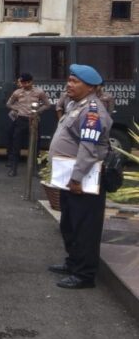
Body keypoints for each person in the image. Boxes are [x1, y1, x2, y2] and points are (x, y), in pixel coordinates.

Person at [48, 64, 112, 289]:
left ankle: (84, 275)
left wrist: (76, 178)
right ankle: (73, 262)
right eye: (69, 80)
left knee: (85, 227)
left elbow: (88, 147)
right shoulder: (76, 104)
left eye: (75, 82)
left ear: (91, 87)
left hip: (83, 179)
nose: (69, 85)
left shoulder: (92, 110)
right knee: (70, 223)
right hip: (71, 178)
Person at [5, 73, 51, 177]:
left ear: (31, 81)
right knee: (16, 145)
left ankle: (36, 169)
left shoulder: (39, 92)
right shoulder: (17, 92)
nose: (25, 84)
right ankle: (13, 169)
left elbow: (47, 105)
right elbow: (8, 104)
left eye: (27, 82)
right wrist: (18, 109)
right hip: (21, 120)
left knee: (35, 146)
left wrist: (37, 111)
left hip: (34, 120)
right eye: (23, 82)